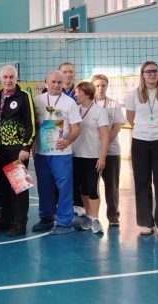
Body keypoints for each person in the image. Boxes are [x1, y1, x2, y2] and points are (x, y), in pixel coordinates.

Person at [125, 61, 158, 236]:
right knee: (142, 182)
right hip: (140, 141)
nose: (152, 74)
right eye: (148, 72)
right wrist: (144, 129)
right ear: (142, 74)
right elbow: (130, 117)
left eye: (155, 71)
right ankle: (145, 222)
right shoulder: (133, 95)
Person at [32, 70, 81, 235]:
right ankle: (46, 218)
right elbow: (30, 125)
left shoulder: (69, 102)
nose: (56, 85)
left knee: (64, 188)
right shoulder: (37, 101)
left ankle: (64, 222)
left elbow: (76, 128)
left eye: (59, 82)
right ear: (46, 83)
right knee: (44, 187)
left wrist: (67, 141)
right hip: (41, 153)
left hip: (62, 153)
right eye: (53, 82)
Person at [0, 65, 35, 237]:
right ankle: (6, 220)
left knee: (19, 187)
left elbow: (31, 124)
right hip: (0, 150)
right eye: (5, 77)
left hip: (17, 150)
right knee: (2, 187)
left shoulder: (24, 96)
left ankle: (19, 224)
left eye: (11, 77)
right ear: (0, 79)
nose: (8, 80)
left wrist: (25, 147)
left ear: (16, 78)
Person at [71, 81, 109, 234]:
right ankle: (88, 216)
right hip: (76, 155)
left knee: (92, 188)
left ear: (87, 94)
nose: (75, 94)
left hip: (93, 156)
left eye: (78, 92)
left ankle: (95, 219)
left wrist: (102, 157)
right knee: (83, 189)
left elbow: (105, 136)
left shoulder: (99, 111)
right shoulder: (76, 109)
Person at [91, 74, 126, 227]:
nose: (100, 88)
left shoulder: (113, 104)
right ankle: (91, 216)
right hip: (91, 152)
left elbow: (117, 127)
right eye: (97, 85)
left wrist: (104, 145)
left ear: (107, 86)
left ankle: (113, 216)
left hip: (111, 152)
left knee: (112, 186)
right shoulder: (87, 104)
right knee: (91, 186)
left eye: (103, 85)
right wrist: (96, 146)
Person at [58, 62, 84, 218]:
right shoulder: (53, 91)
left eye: (70, 71)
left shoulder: (81, 92)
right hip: (58, 143)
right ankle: (60, 205)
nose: (68, 74)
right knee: (61, 177)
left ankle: (79, 204)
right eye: (65, 71)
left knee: (78, 174)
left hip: (78, 141)